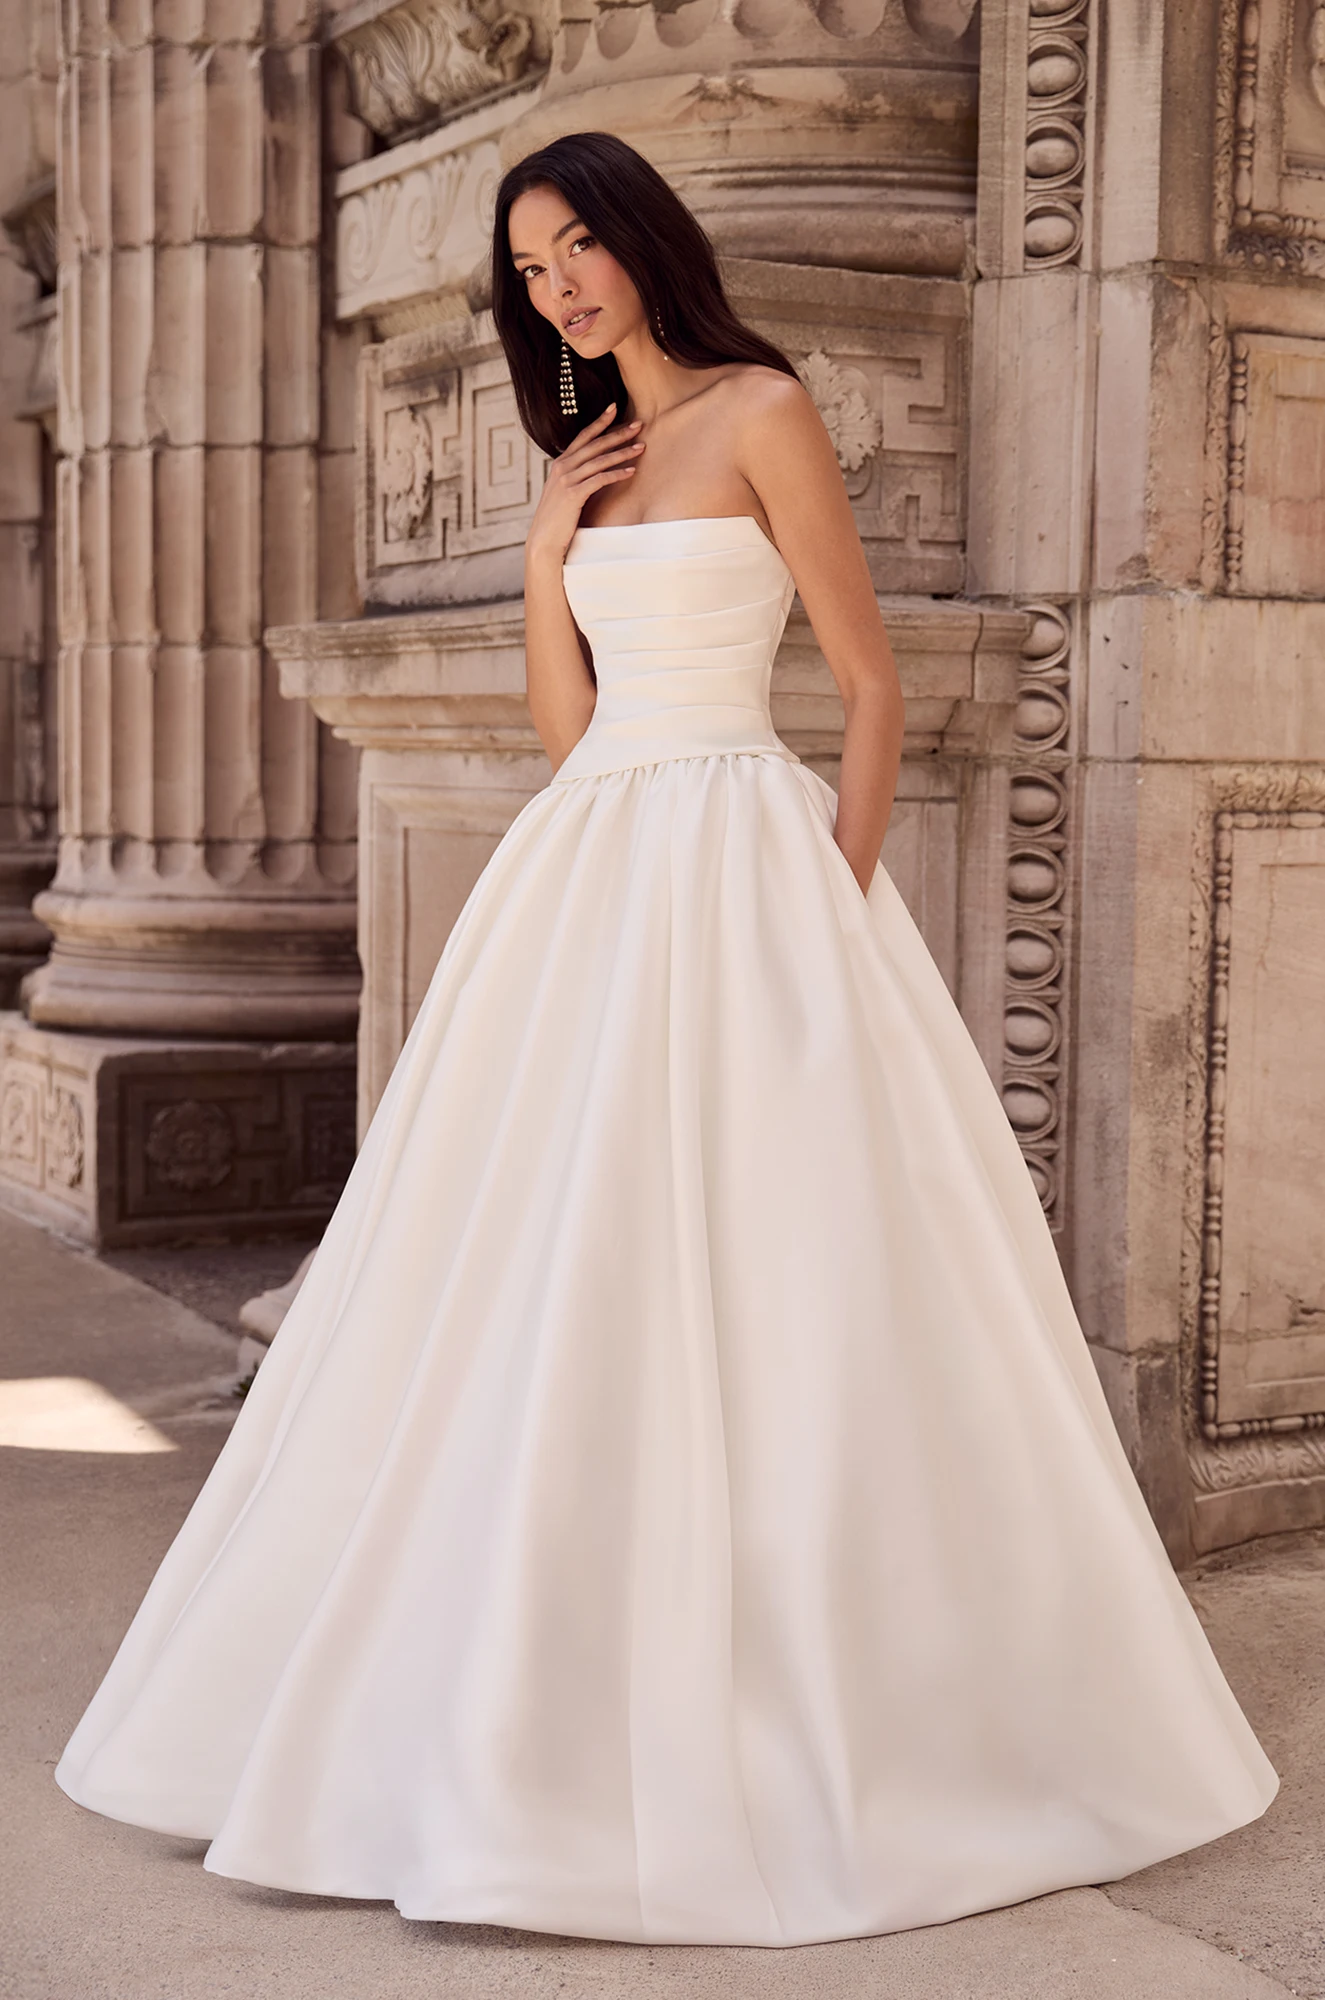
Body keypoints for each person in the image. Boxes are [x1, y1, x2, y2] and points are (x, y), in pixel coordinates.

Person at [55, 131, 1277, 1949]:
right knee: (542, 1259)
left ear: (643, 240)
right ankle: (518, 1694)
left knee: (781, 1266)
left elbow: (865, 680)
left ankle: (843, 1700)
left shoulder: (763, 408)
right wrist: (550, 542)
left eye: (580, 249)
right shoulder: (586, 463)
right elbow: (573, 736)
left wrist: (836, 897)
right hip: (595, 862)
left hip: (746, 854)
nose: (559, 287)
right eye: (532, 268)